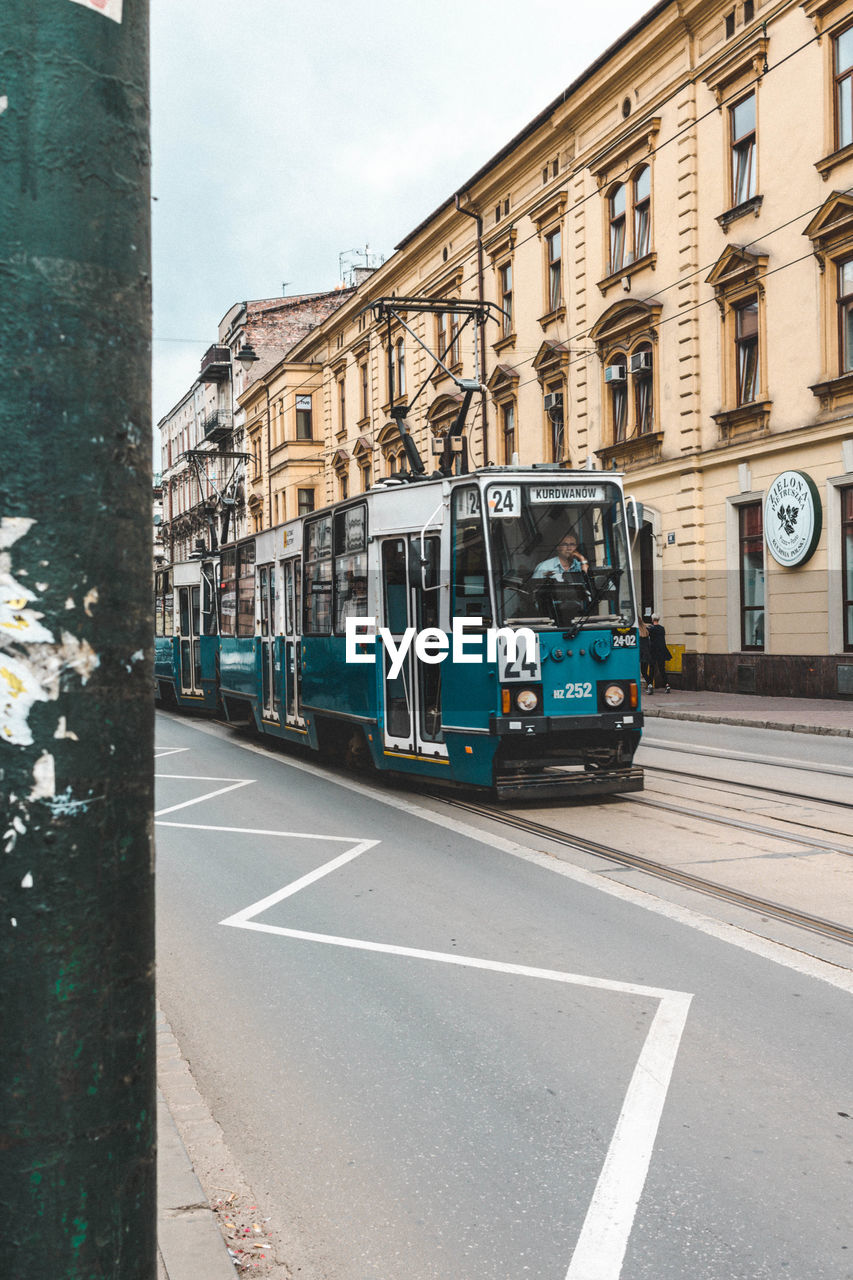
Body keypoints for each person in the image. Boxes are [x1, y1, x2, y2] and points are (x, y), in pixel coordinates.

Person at [646, 613, 672, 693]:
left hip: (653, 651)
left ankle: (650, 686)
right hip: (661, 651)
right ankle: (667, 685)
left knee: (652, 669)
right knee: (662, 669)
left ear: (652, 620)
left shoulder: (651, 629)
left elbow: (648, 636)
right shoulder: (662, 628)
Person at [638, 615, 651, 687]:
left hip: (640, 654)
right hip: (646, 653)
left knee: (641, 671)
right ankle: (650, 684)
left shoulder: (637, 630)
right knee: (644, 672)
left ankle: (649, 684)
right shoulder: (645, 629)